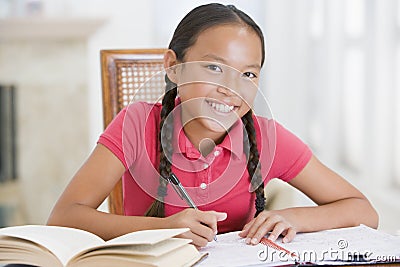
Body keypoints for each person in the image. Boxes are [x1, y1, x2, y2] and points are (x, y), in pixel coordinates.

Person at [47, 3, 378, 248]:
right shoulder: (136, 124)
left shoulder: (265, 137)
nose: (231, 87)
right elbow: (64, 217)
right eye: (214, 68)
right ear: (173, 67)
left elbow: (363, 211)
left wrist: (295, 217)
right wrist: (161, 228)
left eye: (248, 74)